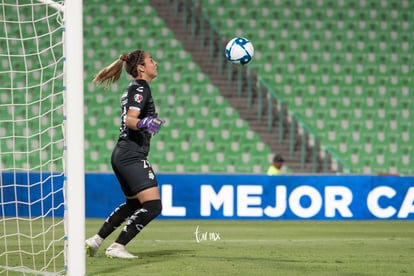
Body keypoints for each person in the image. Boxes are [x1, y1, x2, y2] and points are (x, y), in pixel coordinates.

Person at [85, 49, 165, 259]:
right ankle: (118, 246)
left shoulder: (135, 88)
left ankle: (96, 240)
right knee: (153, 206)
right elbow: (131, 120)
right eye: (151, 60)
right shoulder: (140, 87)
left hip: (123, 153)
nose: (155, 63)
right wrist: (144, 122)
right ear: (141, 67)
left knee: (134, 204)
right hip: (131, 154)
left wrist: (145, 123)